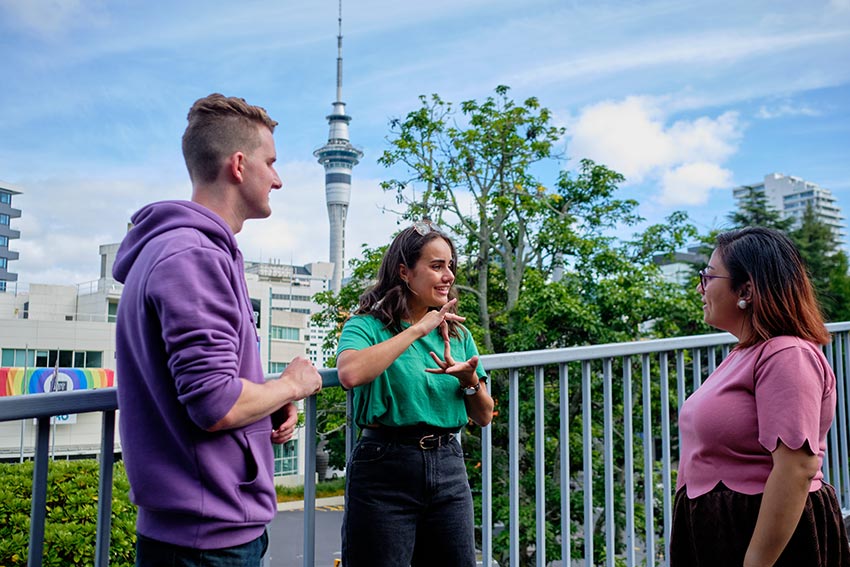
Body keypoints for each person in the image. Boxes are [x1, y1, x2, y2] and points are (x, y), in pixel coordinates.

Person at [113, 93, 323, 566]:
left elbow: (205, 384)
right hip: (206, 542)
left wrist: (266, 401)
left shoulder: (181, 250)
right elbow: (214, 403)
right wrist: (293, 383)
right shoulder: (193, 257)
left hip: (200, 528)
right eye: (271, 163)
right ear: (238, 165)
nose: (279, 178)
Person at [670, 227, 850, 567]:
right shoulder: (746, 353)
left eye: (708, 277)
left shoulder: (787, 355)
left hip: (765, 542)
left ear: (747, 289)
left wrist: (756, 561)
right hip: (725, 532)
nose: (700, 288)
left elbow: (796, 467)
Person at [336, 220, 495, 566]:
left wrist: (470, 381)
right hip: (384, 466)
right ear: (405, 272)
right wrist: (419, 328)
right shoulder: (366, 325)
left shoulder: (455, 332)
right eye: (437, 266)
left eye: (450, 265)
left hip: (448, 465)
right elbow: (350, 373)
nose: (449, 276)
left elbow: (483, 416)